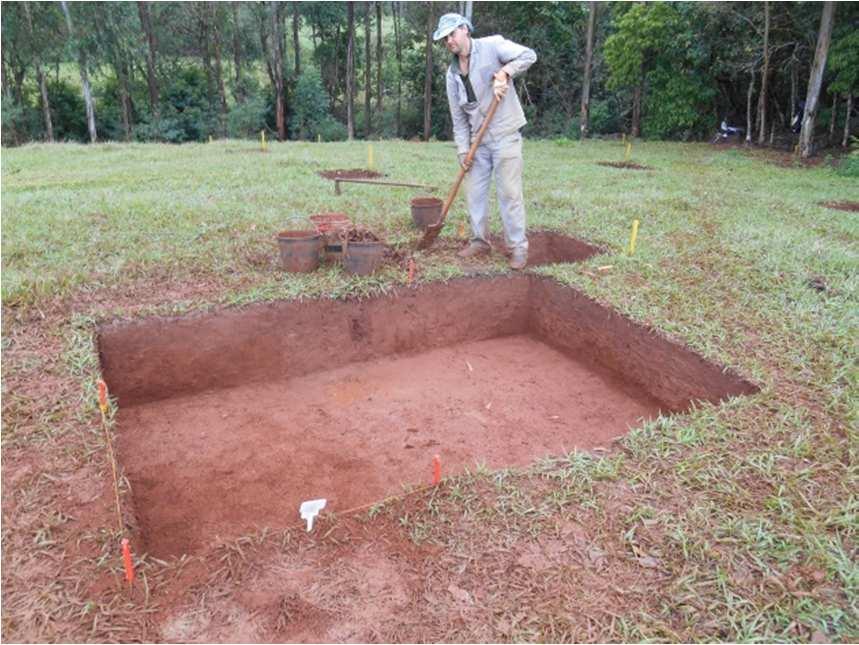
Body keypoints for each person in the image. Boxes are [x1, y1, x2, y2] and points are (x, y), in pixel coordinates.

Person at [433, 13, 537, 270]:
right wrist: (462, 150)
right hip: (477, 142)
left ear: (465, 30)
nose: (449, 41)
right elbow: (458, 119)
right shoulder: (452, 74)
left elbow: (529, 55)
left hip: (504, 135)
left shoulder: (493, 46)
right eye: (445, 38)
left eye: (452, 34)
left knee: (509, 193)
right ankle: (480, 241)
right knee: (475, 193)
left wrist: (504, 72)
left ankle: (517, 247)